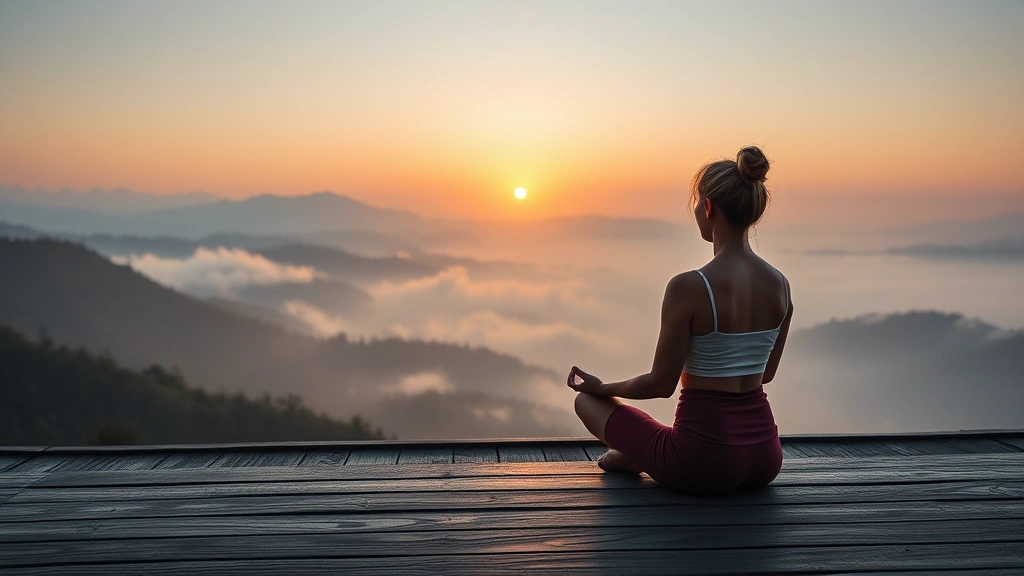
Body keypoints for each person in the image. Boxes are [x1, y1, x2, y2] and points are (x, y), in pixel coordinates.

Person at [568, 146, 792, 497]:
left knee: (586, 403)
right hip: (765, 457)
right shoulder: (780, 285)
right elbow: (765, 374)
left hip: (702, 462)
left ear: (708, 207)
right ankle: (637, 455)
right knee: (661, 433)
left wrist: (602, 387)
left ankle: (635, 457)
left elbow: (660, 384)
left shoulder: (689, 287)